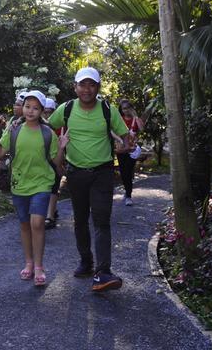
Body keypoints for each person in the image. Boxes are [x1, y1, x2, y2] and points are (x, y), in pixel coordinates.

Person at [48, 67, 131, 292]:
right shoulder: (66, 109)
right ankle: (86, 262)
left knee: (102, 220)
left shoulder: (107, 110)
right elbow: (46, 129)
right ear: (75, 87)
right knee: (80, 220)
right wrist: (57, 152)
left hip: (102, 173)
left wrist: (124, 146)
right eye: (82, 84)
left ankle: (103, 272)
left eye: (91, 84)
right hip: (76, 174)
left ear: (98, 87)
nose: (87, 89)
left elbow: (125, 136)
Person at [0, 90, 67, 287]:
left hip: (42, 183)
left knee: (37, 223)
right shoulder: (13, 130)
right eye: (27, 106)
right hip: (19, 184)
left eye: (35, 108)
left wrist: (62, 146)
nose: (31, 111)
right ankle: (29, 263)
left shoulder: (48, 133)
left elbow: (57, 162)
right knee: (24, 225)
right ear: (23, 108)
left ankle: (39, 266)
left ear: (42, 111)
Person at [116, 99, 144, 206]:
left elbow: (142, 128)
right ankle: (127, 191)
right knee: (123, 172)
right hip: (121, 148)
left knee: (128, 170)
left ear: (131, 108)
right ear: (121, 109)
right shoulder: (119, 119)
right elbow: (113, 130)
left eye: (128, 108)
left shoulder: (135, 119)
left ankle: (128, 196)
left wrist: (135, 116)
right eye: (124, 108)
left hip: (132, 150)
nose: (126, 110)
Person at [43, 98, 62, 229]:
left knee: (54, 186)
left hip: (54, 159)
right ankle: (51, 211)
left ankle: (50, 216)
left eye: (50, 112)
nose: (47, 115)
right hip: (41, 160)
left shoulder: (58, 126)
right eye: (45, 112)